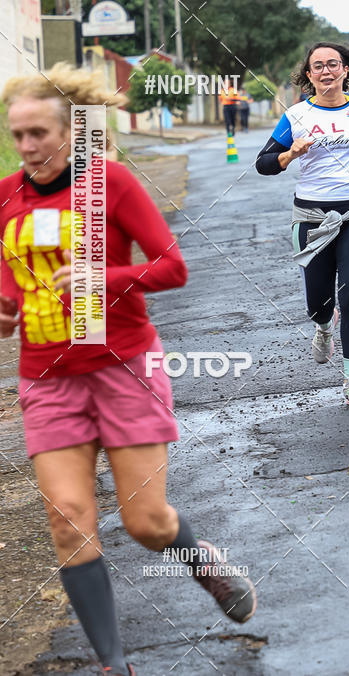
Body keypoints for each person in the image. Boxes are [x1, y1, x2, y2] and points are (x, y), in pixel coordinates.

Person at [0, 66, 256, 676]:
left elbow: (172, 267)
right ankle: (114, 665)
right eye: (17, 135)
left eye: (38, 133)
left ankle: (203, 561)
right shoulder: (5, 196)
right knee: (68, 520)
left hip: (124, 367)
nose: (27, 146)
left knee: (145, 523)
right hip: (47, 377)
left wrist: (103, 277)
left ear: (70, 131)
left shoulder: (109, 183)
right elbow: (8, 288)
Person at [255, 42, 349, 407]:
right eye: (318, 66)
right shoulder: (296, 116)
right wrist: (290, 153)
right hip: (312, 217)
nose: (326, 71)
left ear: (345, 70)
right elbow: (264, 163)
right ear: (309, 75)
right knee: (318, 302)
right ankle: (323, 326)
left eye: (333, 64)